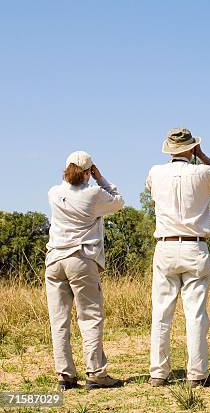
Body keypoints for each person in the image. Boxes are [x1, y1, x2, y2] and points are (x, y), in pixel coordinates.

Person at [146, 128, 210, 388]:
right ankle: (197, 373)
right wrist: (201, 155)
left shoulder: (155, 172)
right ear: (191, 148)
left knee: (161, 313)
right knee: (195, 314)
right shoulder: (203, 173)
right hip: (195, 246)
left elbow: (151, 189)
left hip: (166, 245)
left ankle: (158, 372)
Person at [46, 151, 124, 390]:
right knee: (89, 317)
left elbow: (66, 186)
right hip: (81, 258)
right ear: (89, 171)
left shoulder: (53, 193)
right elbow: (119, 201)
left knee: (59, 321)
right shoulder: (94, 193)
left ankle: (65, 375)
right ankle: (96, 373)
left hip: (54, 260)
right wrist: (101, 178)